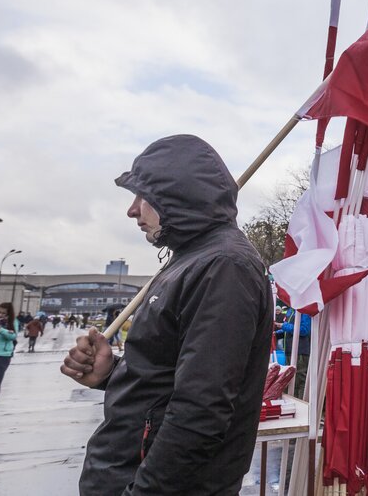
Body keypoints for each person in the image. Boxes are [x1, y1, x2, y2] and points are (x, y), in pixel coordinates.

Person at [60, 134, 273, 495]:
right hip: (125, 473)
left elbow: (200, 411)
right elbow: (169, 381)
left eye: (144, 196)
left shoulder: (223, 267)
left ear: (179, 195)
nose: (132, 210)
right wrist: (112, 373)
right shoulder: (191, 259)